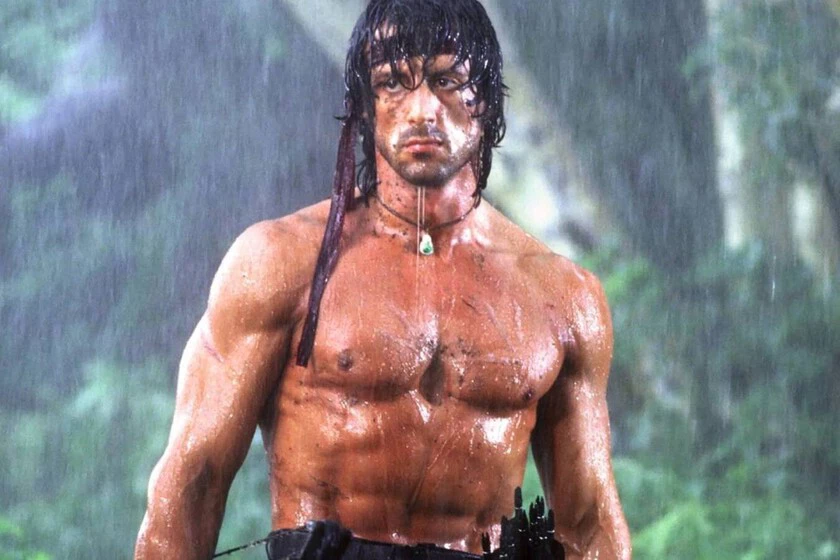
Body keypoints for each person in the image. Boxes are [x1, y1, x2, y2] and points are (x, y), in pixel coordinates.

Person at [134, 0, 631, 558]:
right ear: (366, 105)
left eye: (446, 80)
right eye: (393, 82)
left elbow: (589, 525)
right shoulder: (280, 262)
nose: (422, 109)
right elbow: (192, 481)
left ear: (486, 98)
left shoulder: (562, 297)